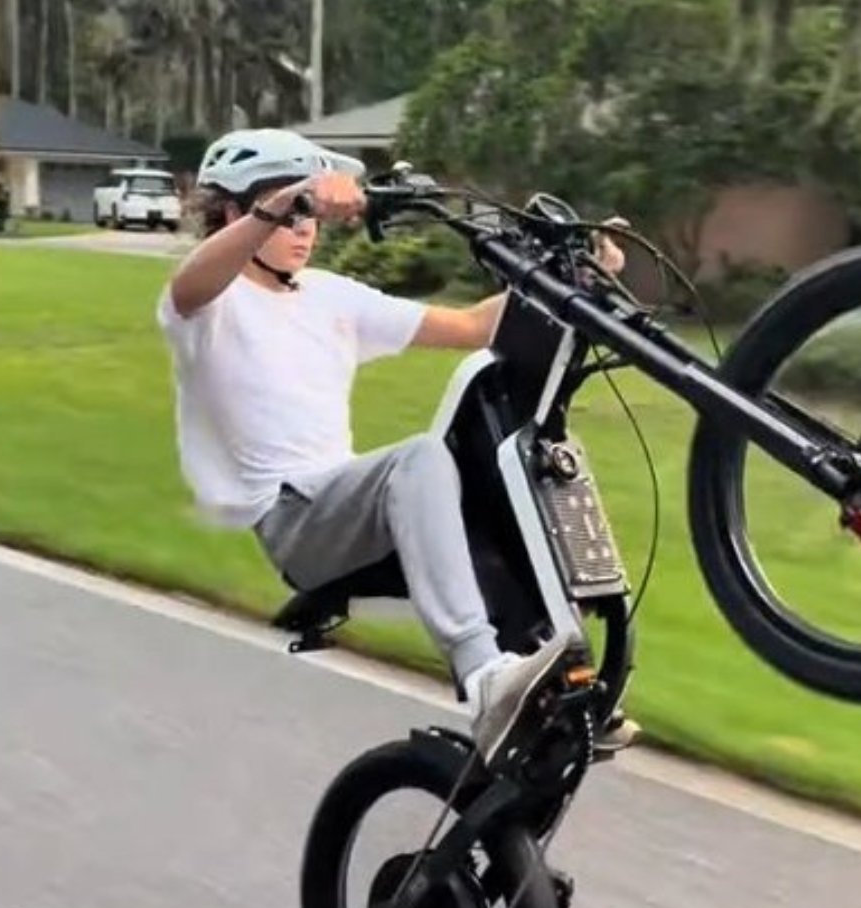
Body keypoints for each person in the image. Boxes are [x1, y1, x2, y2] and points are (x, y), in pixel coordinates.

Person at [156, 128, 627, 764]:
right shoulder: (207, 306)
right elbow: (192, 282)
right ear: (236, 210)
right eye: (289, 211)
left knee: (492, 483)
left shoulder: (329, 296)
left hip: (349, 505)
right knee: (420, 459)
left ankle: (556, 693)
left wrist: (572, 276)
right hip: (296, 520)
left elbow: (467, 326)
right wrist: (297, 193)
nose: (306, 226)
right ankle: (484, 676)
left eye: (309, 213)